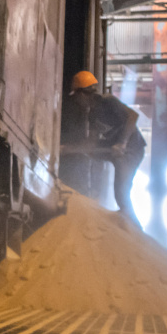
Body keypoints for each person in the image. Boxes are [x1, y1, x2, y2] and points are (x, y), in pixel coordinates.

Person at [61, 70, 145, 227]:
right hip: (114, 149)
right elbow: (91, 144)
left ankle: (133, 228)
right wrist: (68, 149)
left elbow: (133, 116)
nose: (77, 102)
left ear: (84, 94)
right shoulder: (92, 115)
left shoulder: (108, 102)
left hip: (131, 150)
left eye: (77, 97)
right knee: (90, 152)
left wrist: (123, 143)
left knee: (121, 192)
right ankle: (100, 200)